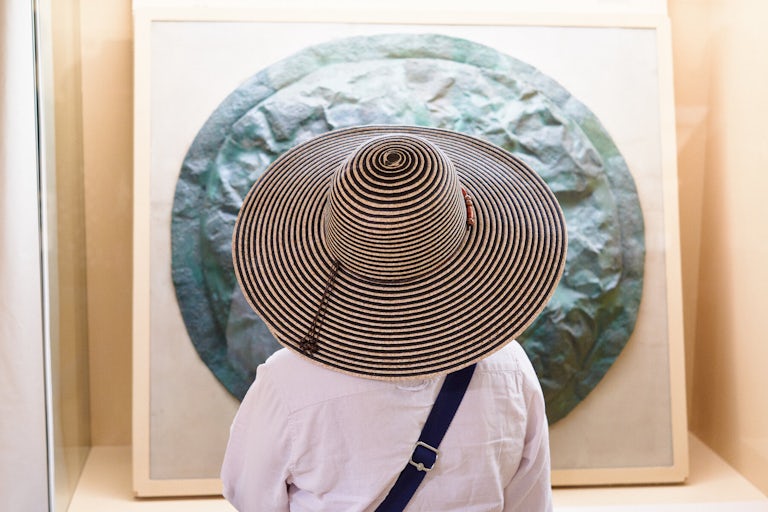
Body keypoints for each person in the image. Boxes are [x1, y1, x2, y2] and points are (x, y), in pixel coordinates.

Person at [221, 125, 567, 511]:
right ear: (470, 219)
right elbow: (530, 504)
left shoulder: (288, 380)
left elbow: (250, 498)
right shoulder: (510, 366)